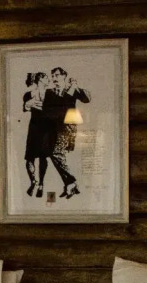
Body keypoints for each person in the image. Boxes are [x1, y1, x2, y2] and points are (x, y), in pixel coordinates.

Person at [41, 67, 90, 199]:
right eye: (52, 76)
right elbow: (47, 111)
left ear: (64, 76)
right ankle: (70, 184)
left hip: (67, 127)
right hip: (53, 128)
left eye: (57, 75)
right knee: (54, 154)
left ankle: (71, 182)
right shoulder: (49, 92)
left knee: (57, 153)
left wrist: (76, 87)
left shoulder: (72, 89)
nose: (54, 78)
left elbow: (86, 99)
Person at [22, 72, 51, 197]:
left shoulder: (50, 93)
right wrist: (29, 104)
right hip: (34, 127)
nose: (49, 80)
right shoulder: (28, 94)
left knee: (43, 156)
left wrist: (36, 105)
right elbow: (25, 108)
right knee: (30, 157)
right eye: (46, 78)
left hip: (46, 127)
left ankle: (41, 184)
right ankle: (34, 181)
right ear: (40, 80)